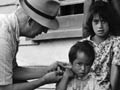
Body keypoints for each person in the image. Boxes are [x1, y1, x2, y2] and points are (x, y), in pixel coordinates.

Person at [0, 0, 68, 90]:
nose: (45, 31)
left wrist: (48, 70)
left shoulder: (10, 30)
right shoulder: (3, 39)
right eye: (43, 26)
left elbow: (13, 71)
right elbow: (5, 88)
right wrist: (43, 80)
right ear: (30, 21)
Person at [81, 1, 120, 90]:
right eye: (96, 22)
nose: (100, 26)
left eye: (103, 21)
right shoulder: (83, 44)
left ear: (109, 22)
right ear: (91, 22)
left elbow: (115, 74)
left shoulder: (116, 42)